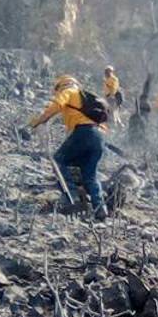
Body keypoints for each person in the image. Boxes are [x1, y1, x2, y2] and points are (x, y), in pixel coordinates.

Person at [27, 75, 108, 219]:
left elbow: (57, 105)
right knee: (90, 174)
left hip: (83, 132)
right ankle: (100, 208)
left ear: (60, 86)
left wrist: (39, 121)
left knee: (59, 160)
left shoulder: (69, 91)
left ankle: (72, 197)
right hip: (98, 136)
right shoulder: (85, 98)